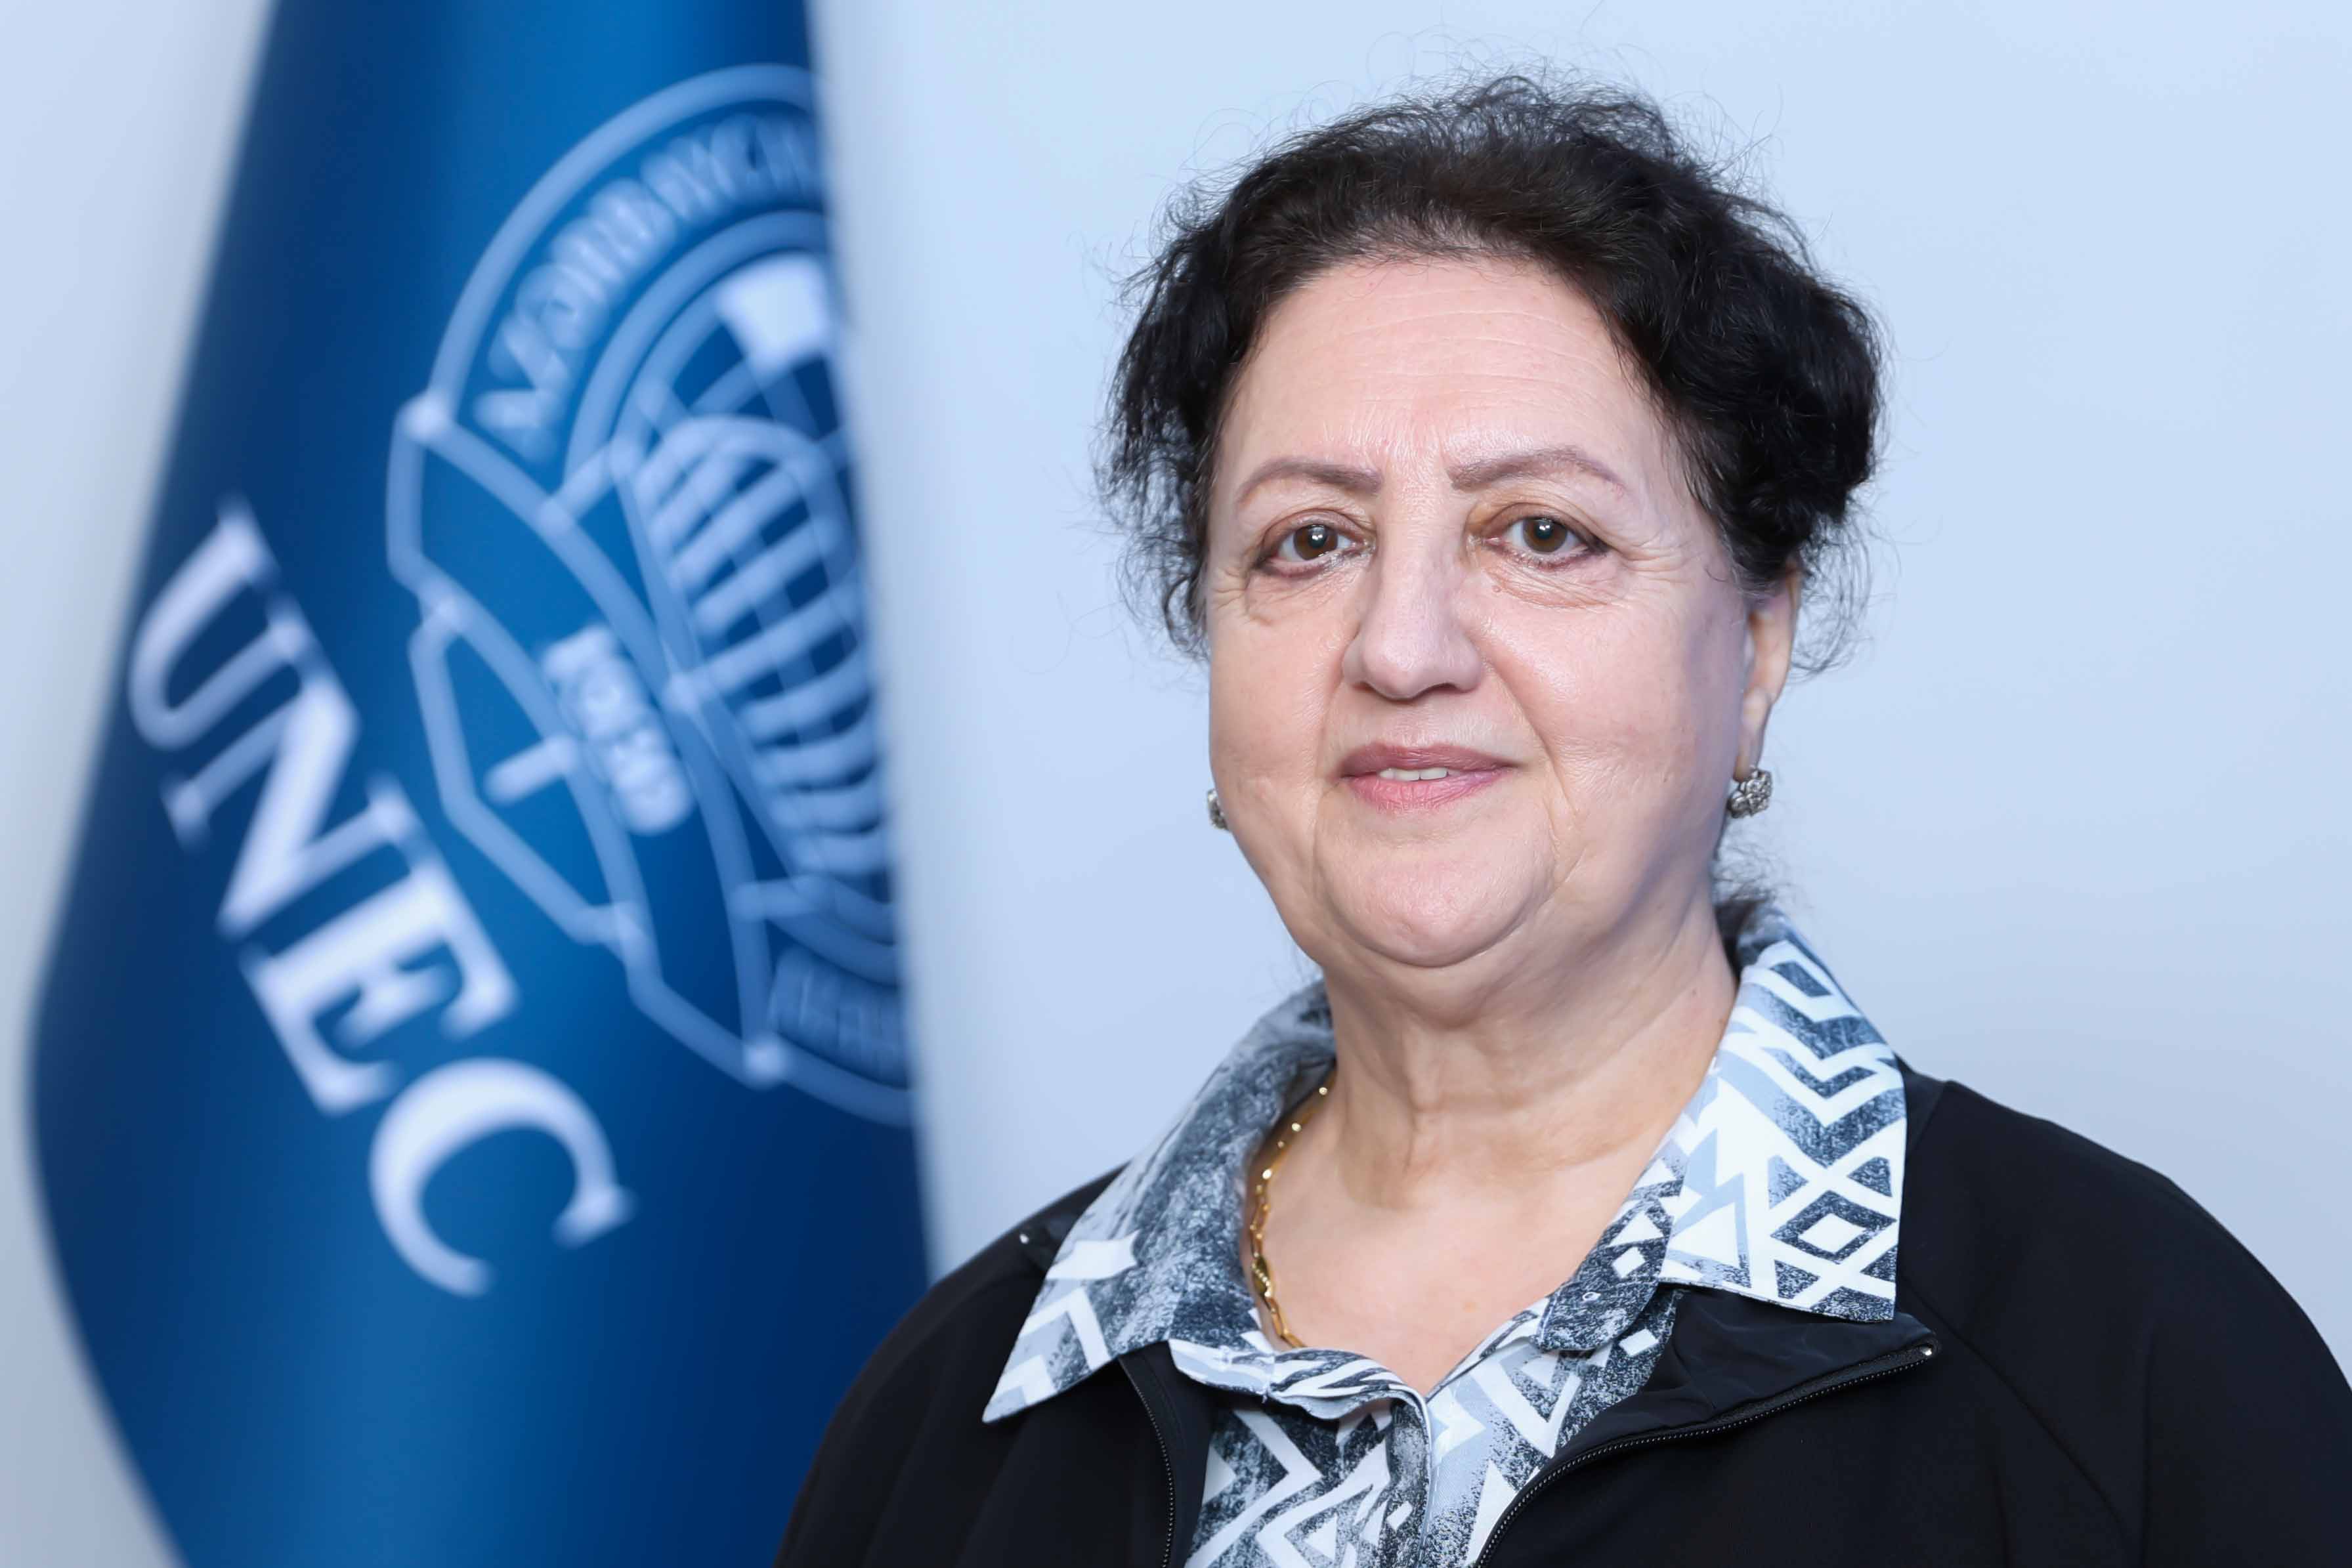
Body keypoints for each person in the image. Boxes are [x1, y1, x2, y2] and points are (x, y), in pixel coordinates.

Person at [774, 71, 2352, 1567]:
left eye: (1541, 533)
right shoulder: (954, 1412)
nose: (1401, 648)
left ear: (1755, 644)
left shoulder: (2129, 1367)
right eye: (1309, 541)